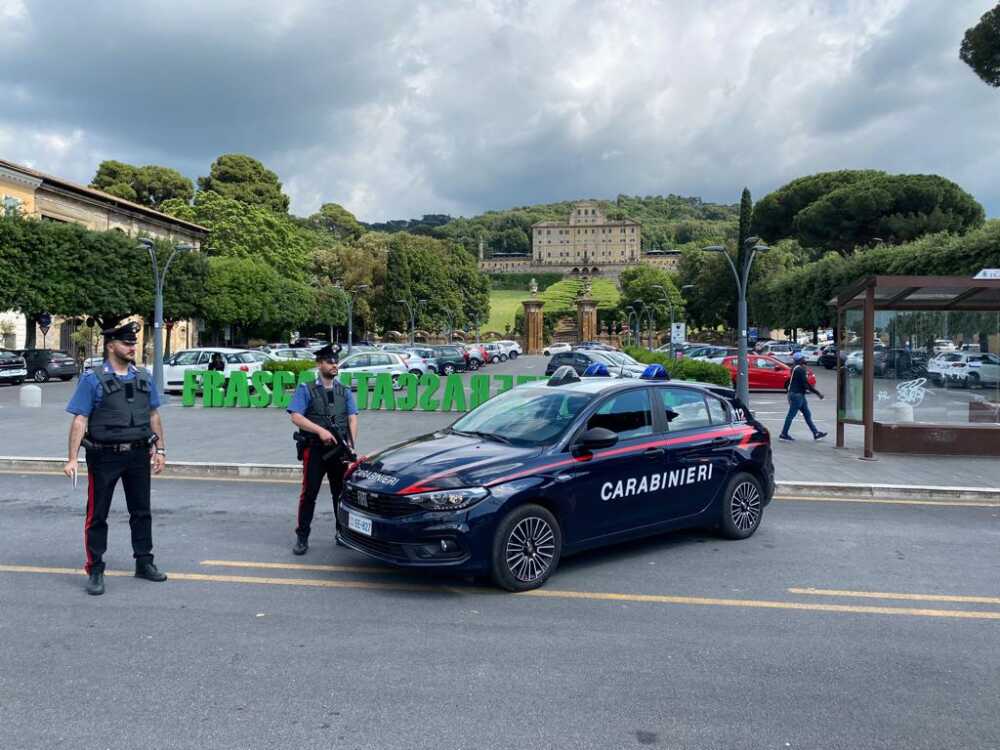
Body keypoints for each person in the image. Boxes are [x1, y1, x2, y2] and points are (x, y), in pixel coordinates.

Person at [62, 322, 168, 596]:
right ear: (111, 346)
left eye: (134, 343)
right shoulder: (92, 379)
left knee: (141, 511)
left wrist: (162, 450)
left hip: (138, 454)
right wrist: (72, 459)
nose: (133, 347)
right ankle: (95, 569)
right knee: (97, 514)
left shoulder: (143, 377)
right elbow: (80, 419)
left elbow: (154, 415)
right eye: (127, 343)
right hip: (104, 456)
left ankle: (144, 562)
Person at [286, 344, 359, 555]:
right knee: (309, 494)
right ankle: (302, 536)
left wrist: (351, 447)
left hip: (339, 452)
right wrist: (319, 431)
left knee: (340, 493)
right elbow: (295, 416)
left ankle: (341, 533)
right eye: (329, 361)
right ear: (319, 364)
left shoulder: (344, 391)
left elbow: (352, 418)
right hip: (315, 450)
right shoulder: (305, 389)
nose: (334, 364)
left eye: (336, 361)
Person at [779, 351, 827, 442]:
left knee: (807, 414)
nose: (805, 360)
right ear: (800, 360)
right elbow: (806, 384)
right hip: (797, 396)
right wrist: (818, 393)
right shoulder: (800, 370)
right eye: (803, 358)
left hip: (798, 395)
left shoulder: (795, 368)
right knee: (791, 415)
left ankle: (816, 433)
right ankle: (783, 434)